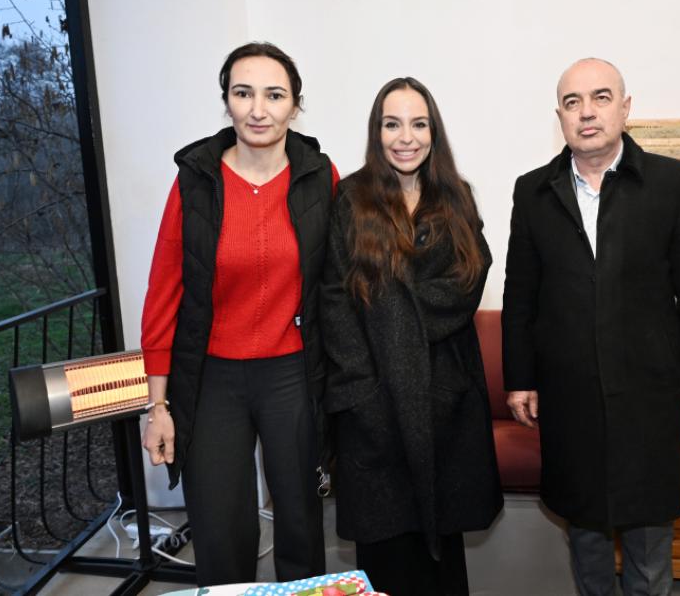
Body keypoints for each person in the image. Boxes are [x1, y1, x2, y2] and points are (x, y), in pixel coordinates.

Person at [502, 58, 680, 596]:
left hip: (651, 396)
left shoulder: (673, 184)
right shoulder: (533, 192)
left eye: (601, 98)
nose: (587, 112)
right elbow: (520, 296)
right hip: (570, 396)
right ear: (559, 116)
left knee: (649, 544)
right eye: (572, 102)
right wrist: (520, 378)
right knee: (587, 535)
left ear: (625, 108)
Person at [140, 42, 336, 586]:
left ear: (295, 105)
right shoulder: (195, 180)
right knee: (220, 528)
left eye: (274, 95)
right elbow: (163, 294)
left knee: (300, 523)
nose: (258, 109)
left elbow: (341, 281)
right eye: (243, 93)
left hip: (293, 373)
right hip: (212, 379)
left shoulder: (320, 177)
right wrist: (157, 406)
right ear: (226, 100)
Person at [320, 77, 503, 596]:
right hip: (372, 397)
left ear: (433, 132)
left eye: (419, 124)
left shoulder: (456, 197)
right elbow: (335, 298)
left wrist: (387, 309)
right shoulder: (350, 199)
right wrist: (363, 388)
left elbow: (468, 280)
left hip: (445, 396)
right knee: (385, 551)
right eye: (392, 124)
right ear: (376, 132)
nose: (406, 137)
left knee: (441, 560)